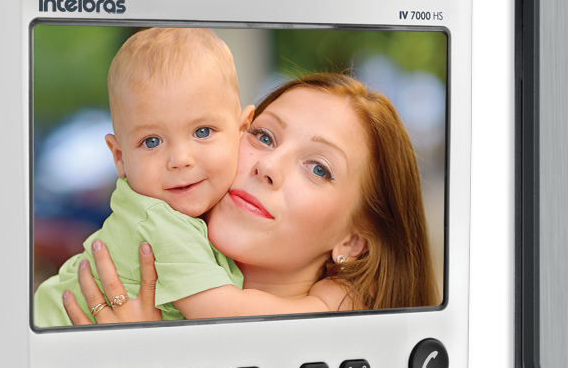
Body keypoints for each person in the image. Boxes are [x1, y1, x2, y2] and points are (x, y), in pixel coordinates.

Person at [62, 73, 438, 325]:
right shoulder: (156, 223)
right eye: (264, 137)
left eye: (318, 169)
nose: (268, 166)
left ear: (352, 241)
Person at [34, 27, 253, 325]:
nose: (180, 160)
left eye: (202, 132)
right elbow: (229, 316)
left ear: (242, 130)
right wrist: (314, 305)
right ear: (120, 157)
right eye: (151, 141)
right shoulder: (159, 223)